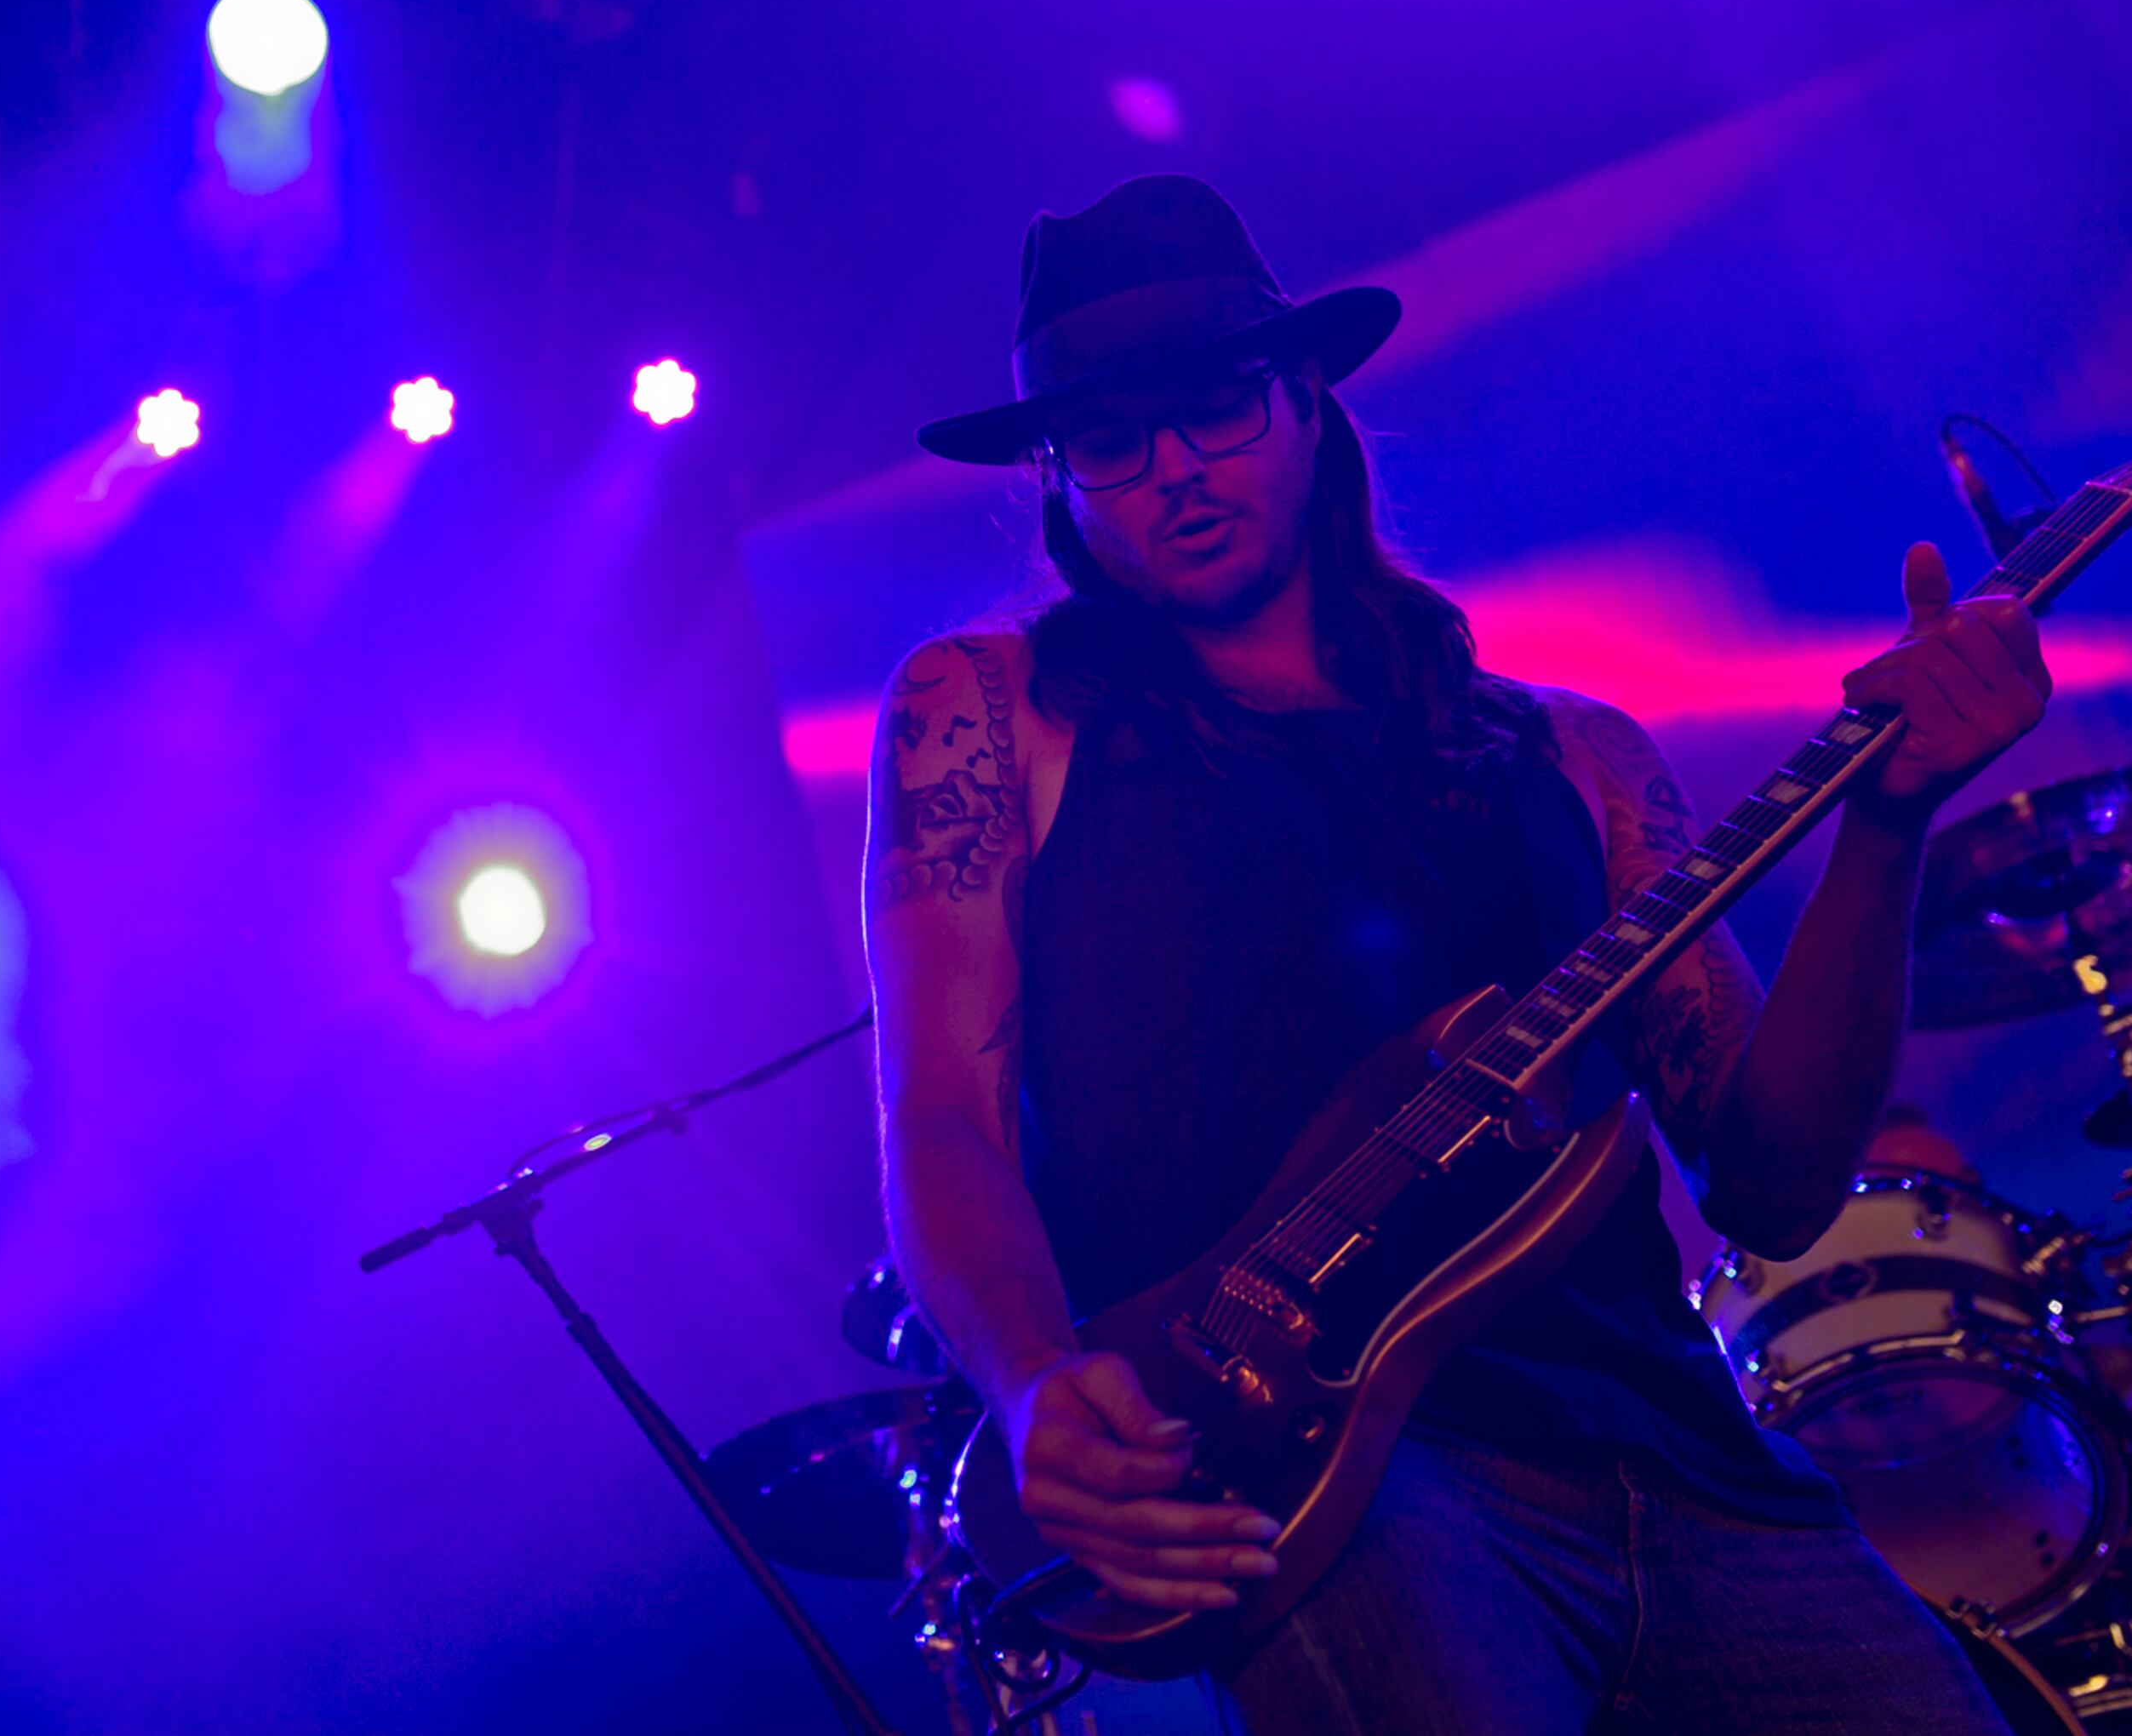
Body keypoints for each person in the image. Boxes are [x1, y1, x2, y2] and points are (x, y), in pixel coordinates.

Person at [866, 175, 2051, 1733]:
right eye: (1108, 441)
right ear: (1061, 486)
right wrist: (1027, 1377)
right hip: (1342, 1488)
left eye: (1215, 405)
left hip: (1693, 1460)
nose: (1172, 470)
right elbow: (939, 1112)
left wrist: (1886, 827)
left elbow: (1770, 1184)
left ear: (1305, 400)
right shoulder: (992, 713)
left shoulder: (1574, 759)